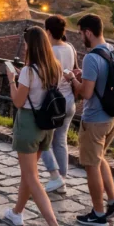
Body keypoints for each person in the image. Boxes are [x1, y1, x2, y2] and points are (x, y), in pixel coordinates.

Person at [2, 26, 65, 226]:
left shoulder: (29, 72)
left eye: (27, 43)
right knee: (28, 173)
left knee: (31, 177)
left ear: (32, 46)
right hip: (47, 125)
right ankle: (17, 212)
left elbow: (18, 102)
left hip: (29, 123)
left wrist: (12, 79)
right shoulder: (55, 67)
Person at [75, 14, 114, 226]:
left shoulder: (91, 58)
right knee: (100, 157)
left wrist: (73, 80)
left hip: (95, 119)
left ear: (88, 32)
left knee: (91, 165)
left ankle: (98, 213)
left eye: (81, 33)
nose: (81, 38)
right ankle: (113, 202)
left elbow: (86, 93)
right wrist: (84, 76)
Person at [41, 15, 81, 193]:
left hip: (52, 102)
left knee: (43, 139)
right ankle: (62, 180)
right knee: (61, 141)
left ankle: (55, 176)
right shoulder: (70, 48)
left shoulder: (48, 51)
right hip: (68, 101)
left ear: (48, 31)